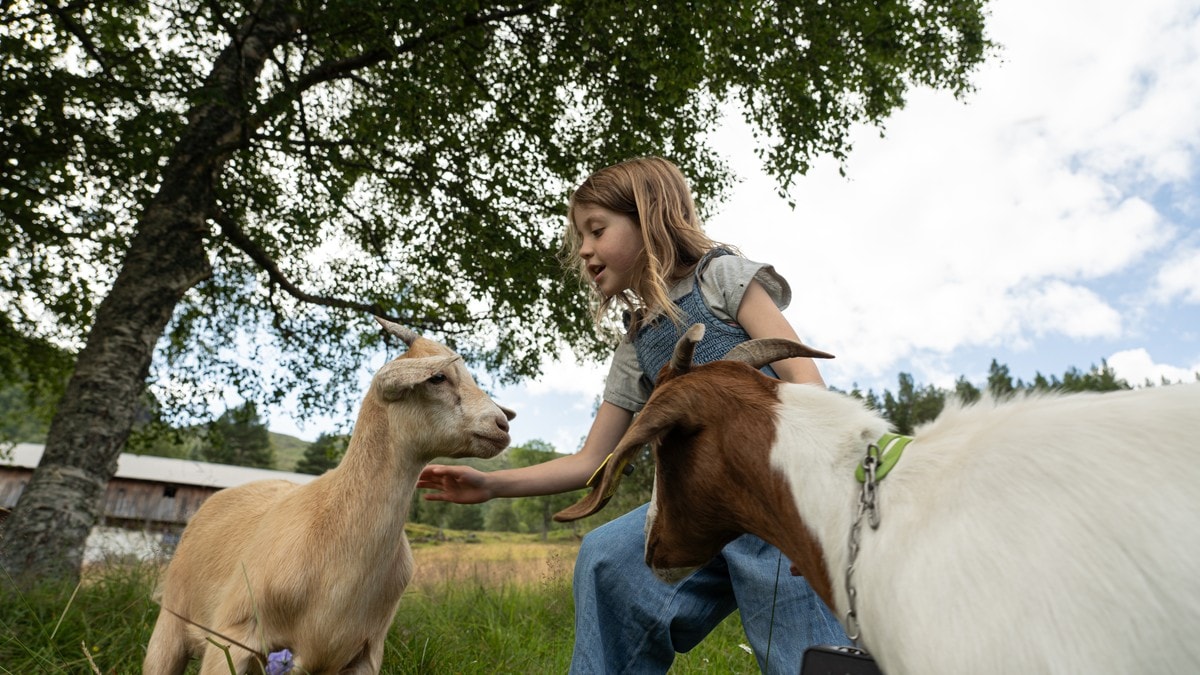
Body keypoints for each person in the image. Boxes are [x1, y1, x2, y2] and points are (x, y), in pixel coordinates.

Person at [417, 156, 848, 673]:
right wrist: (491, 485)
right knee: (608, 560)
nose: (584, 250)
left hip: (778, 497)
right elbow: (591, 460)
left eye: (596, 230)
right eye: (580, 236)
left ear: (649, 218)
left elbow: (807, 383)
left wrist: (817, 502)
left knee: (803, 657)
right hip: (696, 511)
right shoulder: (637, 345)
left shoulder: (723, 279)